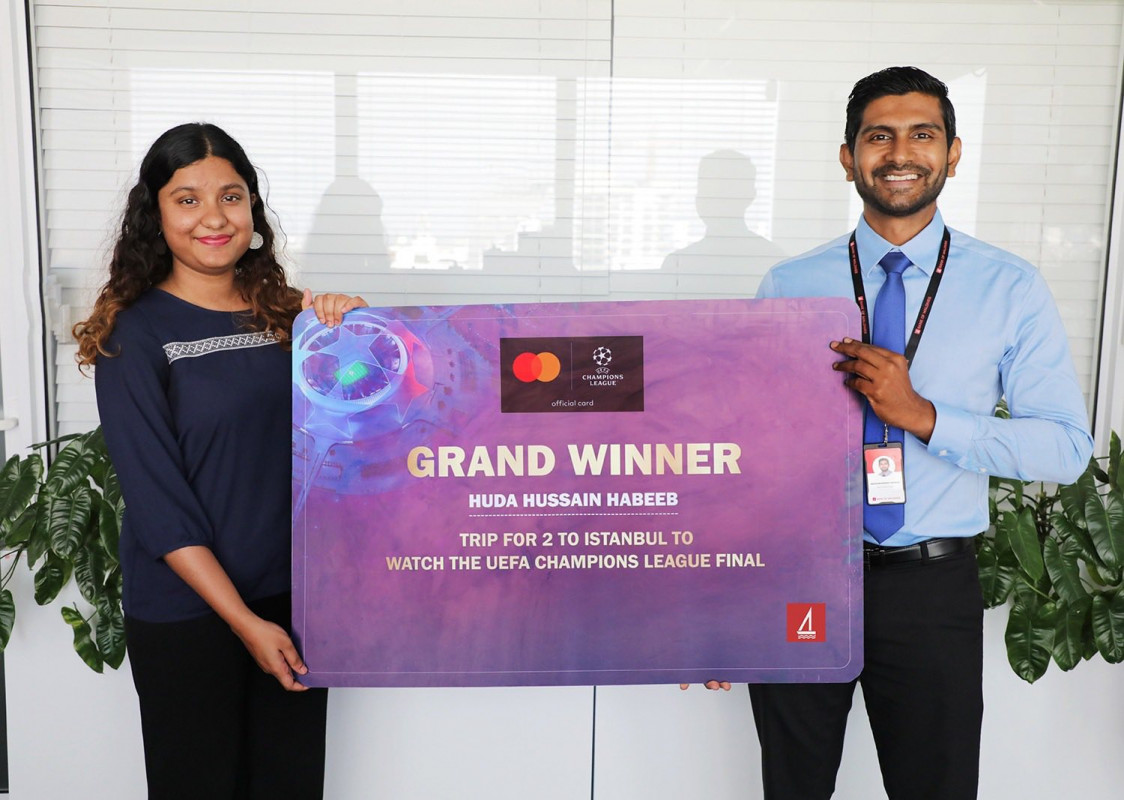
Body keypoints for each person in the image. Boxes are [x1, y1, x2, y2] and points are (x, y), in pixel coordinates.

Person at [683, 67, 1093, 799]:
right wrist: (724, 605)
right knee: (793, 788)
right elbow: (750, 462)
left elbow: (1065, 449)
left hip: (930, 590)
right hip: (803, 579)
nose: (900, 153)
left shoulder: (1011, 288)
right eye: (879, 137)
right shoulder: (789, 285)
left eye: (921, 135)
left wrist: (923, 416)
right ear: (849, 158)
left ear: (952, 154)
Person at [72, 122, 366, 799]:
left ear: (252, 210)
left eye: (231, 197)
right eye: (188, 199)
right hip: (188, 615)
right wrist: (245, 624)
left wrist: (358, 330)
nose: (214, 217)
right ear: (155, 217)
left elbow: (367, 429)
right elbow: (160, 506)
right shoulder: (134, 335)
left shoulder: (293, 321)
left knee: (290, 786)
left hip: (296, 603)